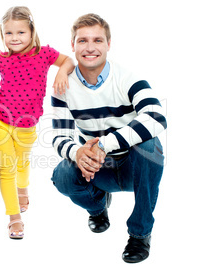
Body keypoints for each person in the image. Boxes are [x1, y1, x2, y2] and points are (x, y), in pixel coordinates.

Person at [51, 13, 167, 263]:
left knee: (150, 144)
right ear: (73, 46)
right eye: (82, 41)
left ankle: (140, 233)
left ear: (108, 44)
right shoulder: (63, 86)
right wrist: (78, 153)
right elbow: (59, 136)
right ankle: (98, 206)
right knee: (62, 175)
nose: (90, 47)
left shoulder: (128, 79)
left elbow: (157, 117)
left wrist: (105, 144)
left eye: (97, 40)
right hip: (97, 168)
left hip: (133, 166)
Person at [0, 6, 75, 239]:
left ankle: (23, 188)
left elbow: (68, 61)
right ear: (2, 35)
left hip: (27, 124)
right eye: (9, 33)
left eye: (20, 32)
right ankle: (14, 217)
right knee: (7, 169)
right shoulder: (2, 58)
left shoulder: (45, 54)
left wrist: (60, 73)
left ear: (31, 32)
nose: (14, 38)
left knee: (22, 163)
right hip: (0, 120)